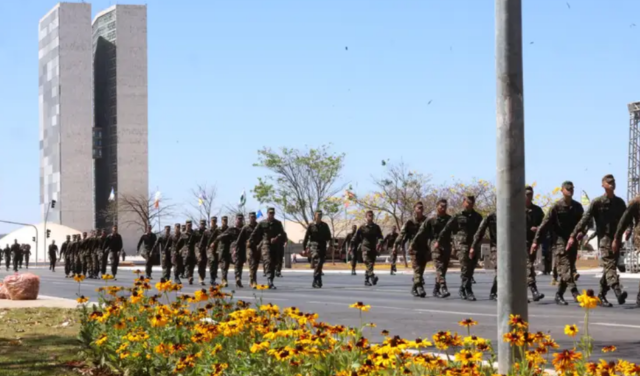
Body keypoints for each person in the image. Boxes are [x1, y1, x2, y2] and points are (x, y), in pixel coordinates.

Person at [572, 174, 628, 306]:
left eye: (613, 182)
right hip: (604, 239)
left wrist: (629, 230)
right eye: (608, 182)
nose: (611, 184)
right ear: (603, 185)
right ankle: (618, 291)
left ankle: (601, 295)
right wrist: (575, 233)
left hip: (616, 239)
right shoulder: (597, 202)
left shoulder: (619, 203)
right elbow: (585, 219)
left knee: (610, 267)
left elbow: (626, 219)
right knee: (610, 265)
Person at [532, 181, 584, 305]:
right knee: (566, 268)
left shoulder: (577, 207)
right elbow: (544, 224)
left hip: (573, 241)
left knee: (569, 268)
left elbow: (583, 223)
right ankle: (575, 292)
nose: (570, 191)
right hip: (560, 241)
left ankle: (559, 294)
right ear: (562, 190)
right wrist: (536, 241)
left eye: (571, 189)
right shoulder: (556, 207)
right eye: (567, 189)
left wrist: (581, 232)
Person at [435, 195, 483, 301]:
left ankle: (462, 288)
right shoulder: (458, 216)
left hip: (474, 245)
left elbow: (480, 232)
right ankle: (468, 290)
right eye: (467, 202)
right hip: (462, 245)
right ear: (463, 202)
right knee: (465, 268)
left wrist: (476, 245)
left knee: (471, 269)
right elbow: (447, 229)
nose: (469, 205)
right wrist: (439, 241)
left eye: (471, 203)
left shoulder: (478, 217)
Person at [249, 207, 286, 289]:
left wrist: (278, 238)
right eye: (270, 213)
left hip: (275, 245)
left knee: (273, 263)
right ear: (267, 213)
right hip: (266, 244)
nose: (271, 215)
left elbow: (282, 234)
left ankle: (271, 281)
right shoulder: (262, 223)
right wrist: (250, 241)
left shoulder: (278, 223)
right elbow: (255, 233)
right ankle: (269, 279)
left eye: (272, 213)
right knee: (268, 261)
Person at [350, 210, 384, 287]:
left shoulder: (376, 227)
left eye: (372, 215)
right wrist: (351, 244)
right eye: (369, 215)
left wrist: (380, 242)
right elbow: (356, 237)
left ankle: (366, 280)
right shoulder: (362, 227)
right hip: (365, 248)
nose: (370, 217)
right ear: (366, 217)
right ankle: (372, 277)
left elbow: (380, 237)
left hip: (373, 248)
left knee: (370, 265)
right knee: (368, 262)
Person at [302, 210, 333, 288]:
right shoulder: (311, 225)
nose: (319, 216)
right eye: (318, 215)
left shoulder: (325, 225)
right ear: (315, 215)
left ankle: (317, 279)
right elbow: (306, 237)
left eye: (321, 215)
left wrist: (330, 246)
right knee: (317, 259)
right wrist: (304, 248)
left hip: (322, 246)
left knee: (320, 263)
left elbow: (329, 237)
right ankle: (317, 279)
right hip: (314, 246)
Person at [471, 212, 498, 300]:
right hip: (496, 247)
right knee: (500, 270)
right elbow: (480, 232)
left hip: (512, 247)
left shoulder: (514, 214)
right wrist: (473, 246)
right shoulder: (491, 217)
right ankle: (494, 292)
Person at [525, 186, 546, 302]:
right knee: (528, 266)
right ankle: (534, 291)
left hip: (532, 243)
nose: (529, 196)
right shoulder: (516, 209)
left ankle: (524, 293)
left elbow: (544, 226)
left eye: (531, 194)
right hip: (519, 243)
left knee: (528, 267)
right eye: (527, 194)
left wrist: (537, 229)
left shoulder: (537, 210)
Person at [237, 212, 259, 288]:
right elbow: (240, 239)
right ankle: (254, 281)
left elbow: (263, 236)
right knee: (252, 264)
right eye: (251, 217)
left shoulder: (259, 226)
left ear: (256, 218)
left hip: (258, 248)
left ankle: (251, 278)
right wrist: (236, 249)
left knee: (255, 265)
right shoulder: (246, 228)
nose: (252, 218)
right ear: (249, 218)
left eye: (254, 217)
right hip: (249, 249)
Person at [196, 218, 213, 286]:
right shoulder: (196, 232)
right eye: (201, 224)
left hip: (205, 249)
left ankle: (202, 277)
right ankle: (200, 278)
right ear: (200, 224)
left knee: (204, 264)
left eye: (203, 224)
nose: (202, 225)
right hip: (198, 249)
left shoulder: (207, 232)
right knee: (200, 263)